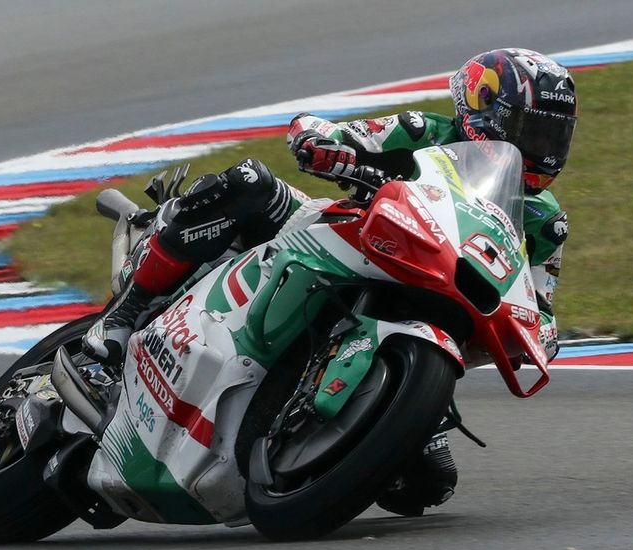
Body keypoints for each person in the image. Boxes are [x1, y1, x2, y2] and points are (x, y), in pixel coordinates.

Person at [82, 48, 577, 516]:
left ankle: (348, 414)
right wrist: (327, 147)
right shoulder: (424, 131)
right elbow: (319, 129)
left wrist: (532, 334)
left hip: (429, 304)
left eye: (552, 137)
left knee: (428, 481)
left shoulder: (545, 222)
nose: (541, 149)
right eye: (529, 131)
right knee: (250, 183)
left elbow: (542, 311)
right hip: (344, 232)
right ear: (484, 110)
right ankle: (125, 313)